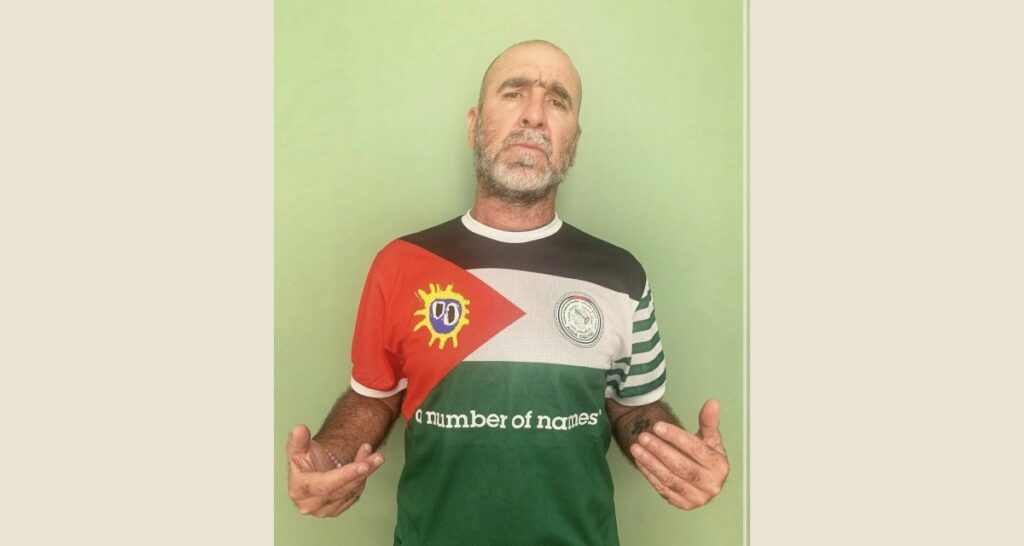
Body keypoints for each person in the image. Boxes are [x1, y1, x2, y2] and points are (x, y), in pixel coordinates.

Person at [286, 39, 730, 545]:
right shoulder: (401, 263)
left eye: (557, 100)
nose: (534, 114)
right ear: (474, 125)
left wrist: (678, 458)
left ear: (573, 143)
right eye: (514, 92)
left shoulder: (620, 275)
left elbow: (631, 407)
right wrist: (332, 456)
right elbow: (375, 397)